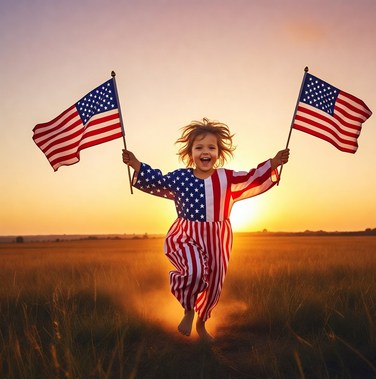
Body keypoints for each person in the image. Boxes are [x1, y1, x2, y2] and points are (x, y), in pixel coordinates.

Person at [122, 118, 290, 341]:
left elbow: (251, 177)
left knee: (214, 284)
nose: (205, 151)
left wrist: (274, 162)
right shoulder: (182, 177)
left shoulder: (226, 178)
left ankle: (201, 323)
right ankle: (188, 310)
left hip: (218, 238)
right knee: (194, 271)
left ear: (219, 153)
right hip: (186, 234)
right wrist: (135, 164)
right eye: (199, 147)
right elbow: (159, 180)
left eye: (211, 147)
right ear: (190, 152)